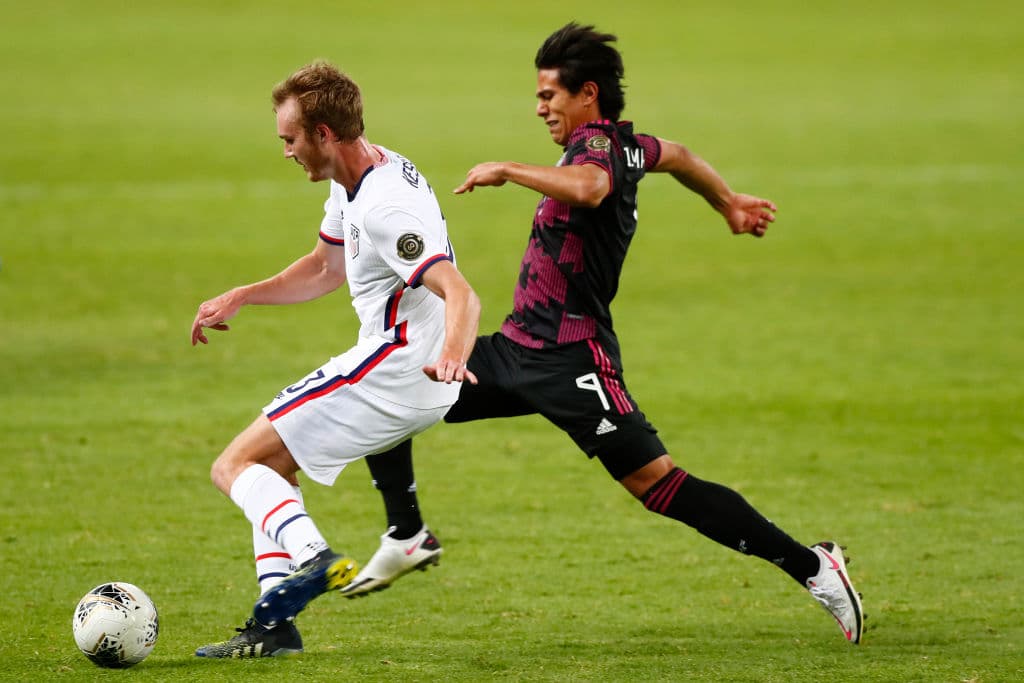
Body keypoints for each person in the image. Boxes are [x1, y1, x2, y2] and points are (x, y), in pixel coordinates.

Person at [346, 23, 865, 644]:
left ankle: (814, 567)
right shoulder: (629, 145)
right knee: (387, 384)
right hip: (518, 348)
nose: (540, 108)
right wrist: (726, 202)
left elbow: (591, 189)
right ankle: (407, 534)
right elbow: (678, 154)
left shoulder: (598, 153)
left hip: (572, 362)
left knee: (660, 485)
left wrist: (508, 168)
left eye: (549, 96)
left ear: (586, 93)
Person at [188, 61, 480, 658]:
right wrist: (244, 294)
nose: (286, 151)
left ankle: (313, 559)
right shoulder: (358, 173)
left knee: (233, 465)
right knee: (273, 472)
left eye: (290, 139)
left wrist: (452, 354)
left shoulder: (383, 207)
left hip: (398, 371)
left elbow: (462, 292)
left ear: (323, 133)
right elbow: (327, 267)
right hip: (397, 368)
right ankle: (276, 629)